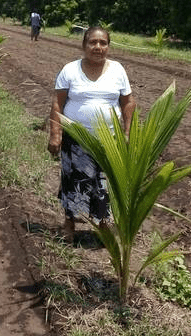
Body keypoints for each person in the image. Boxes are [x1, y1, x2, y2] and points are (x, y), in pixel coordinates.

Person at [47, 26, 135, 244]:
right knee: (72, 181)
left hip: (108, 140)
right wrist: (55, 134)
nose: (98, 47)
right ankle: (69, 222)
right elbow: (58, 102)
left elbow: (128, 103)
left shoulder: (117, 70)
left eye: (103, 43)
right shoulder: (70, 70)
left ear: (108, 46)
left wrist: (127, 132)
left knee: (102, 182)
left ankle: (102, 222)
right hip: (76, 138)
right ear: (84, 45)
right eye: (93, 43)